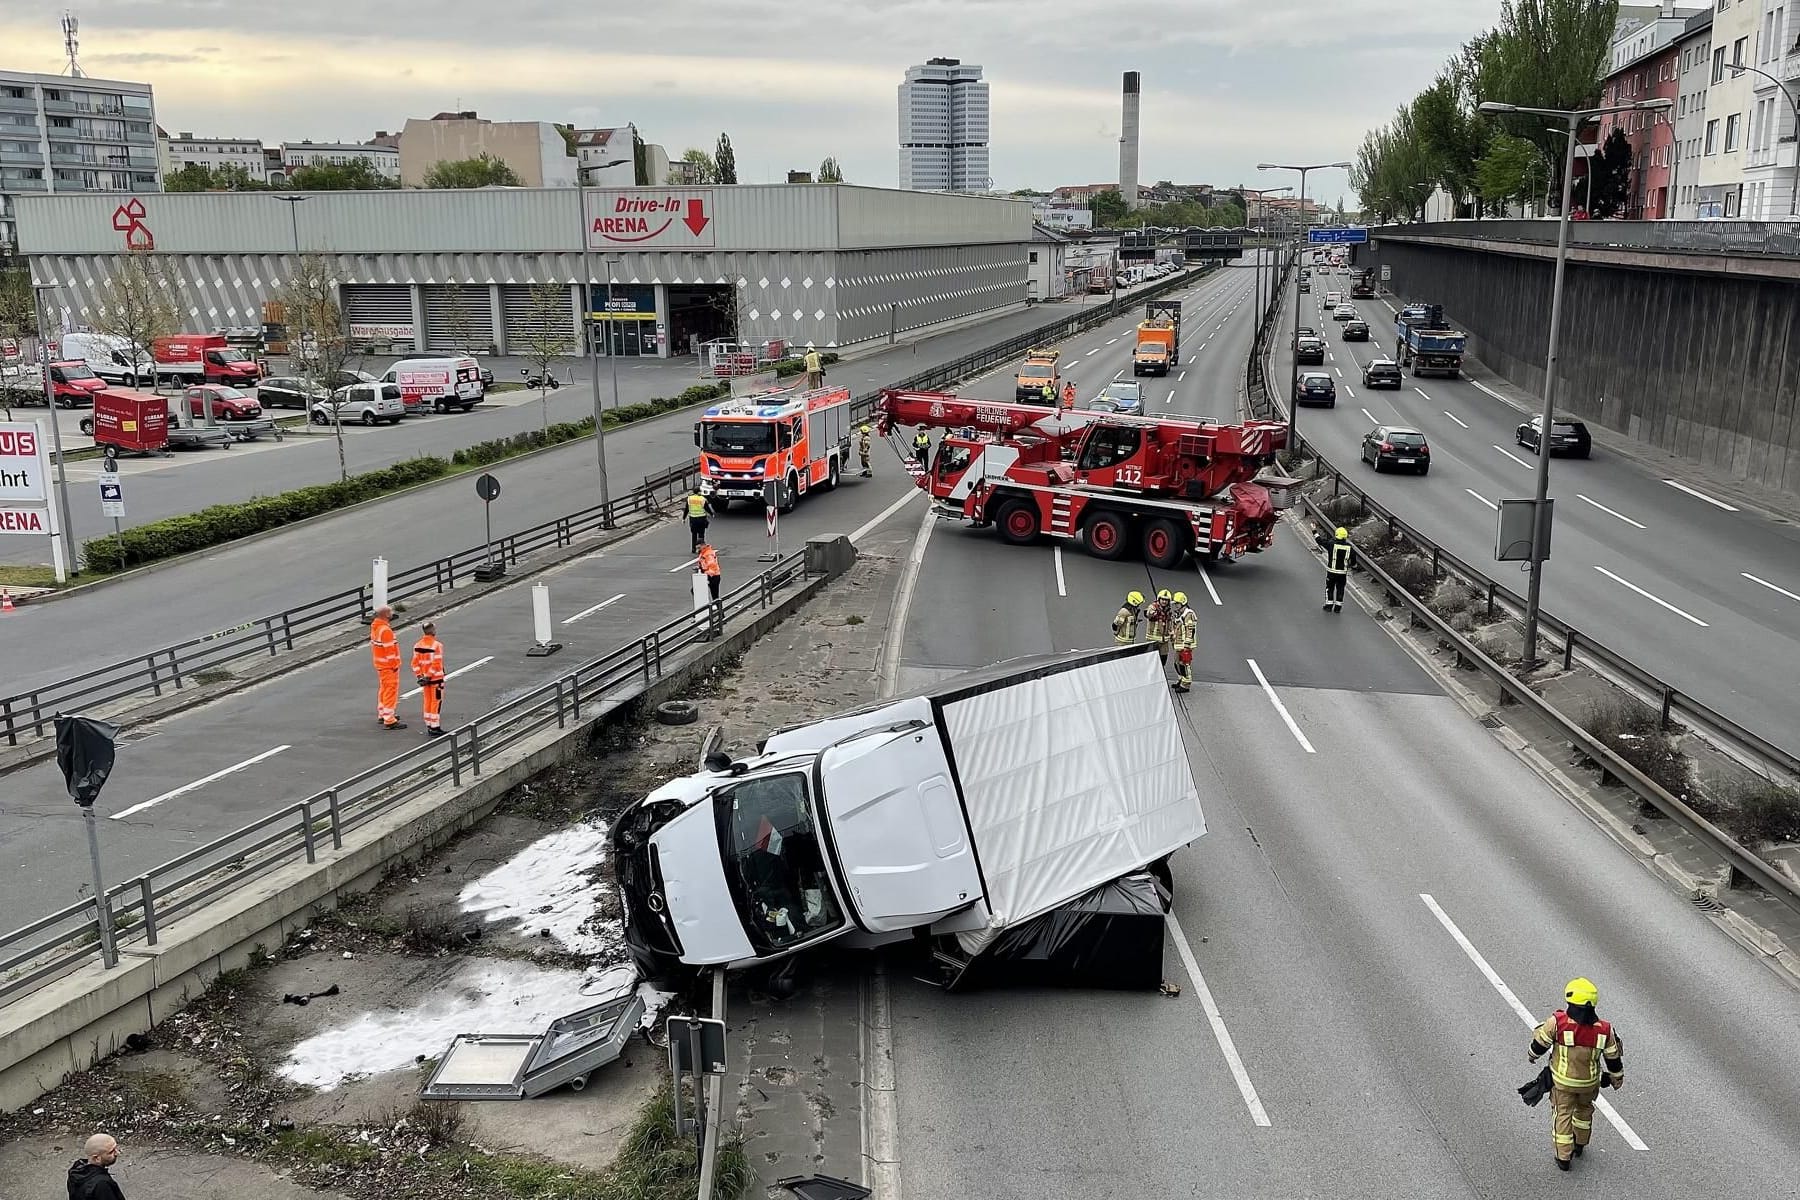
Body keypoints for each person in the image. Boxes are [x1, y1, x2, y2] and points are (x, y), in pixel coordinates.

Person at [1529, 977, 1625, 1171]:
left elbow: (1540, 1044)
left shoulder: (1557, 1023)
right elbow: (1613, 1059)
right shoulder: (1605, 1030)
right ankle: (1580, 1144)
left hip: (1563, 1083)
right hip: (1589, 1084)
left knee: (1562, 1114)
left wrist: (1532, 1055)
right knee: (1584, 1111)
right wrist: (1616, 1078)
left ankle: (1563, 1157)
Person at [370, 605, 406, 731]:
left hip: (381, 665)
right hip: (388, 666)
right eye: (390, 612)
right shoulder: (385, 630)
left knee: (384, 689)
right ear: (386, 615)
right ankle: (389, 719)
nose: (392, 613)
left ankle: (383, 713)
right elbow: (390, 651)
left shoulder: (376, 627)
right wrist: (395, 665)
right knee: (390, 691)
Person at [411, 621, 446, 738]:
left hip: (425, 681)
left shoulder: (417, 645)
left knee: (427, 702)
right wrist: (428, 676)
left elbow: (414, 663)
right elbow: (436, 664)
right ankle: (435, 727)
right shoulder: (437, 646)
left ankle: (429, 725)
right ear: (433, 631)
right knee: (436, 703)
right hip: (436, 680)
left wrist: (420, 676)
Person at [68, 1133, 124, 1200]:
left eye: (116, 1148)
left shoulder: (76, 1171)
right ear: (96, 1158)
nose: (117, 1153)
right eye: (111, 1152)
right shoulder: (102, 1184)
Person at [1170, 591, 1197, 692]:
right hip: (1178, 643)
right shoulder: (1179, 613)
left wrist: (1187, 644)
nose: (1176, 606)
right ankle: (1181, 680)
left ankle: (1186, 684)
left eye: (1177, 604)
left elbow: (1190, 630)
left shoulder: (1188, 614)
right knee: (1177, 663)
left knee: (1185, 664)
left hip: (1185, 644)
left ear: (1183, 603)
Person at [1324, 526, 1353, 613]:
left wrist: (1314, 531)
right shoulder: (1349, 547)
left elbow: (1320, 541)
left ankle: (1329, 605)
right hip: (1342, 573)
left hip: (1332, 571)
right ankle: (1338, 607)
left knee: (1330, 588)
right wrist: (1353, 566)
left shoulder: (1332, 544)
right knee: (1340, 589)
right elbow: (1354, 561)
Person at [697, 541, 723, 638]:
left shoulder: (708, 553)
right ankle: (717, 613)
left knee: (715, 596)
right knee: (713, 595)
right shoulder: (704, 552)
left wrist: (707, 576)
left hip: (713, 576)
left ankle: (720, 615)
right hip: (709, 576)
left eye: (698, 546)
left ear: (702, 545)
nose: (697, 549)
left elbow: (711, 566)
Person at [1146, 589, 1174, 665]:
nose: (1164, 602)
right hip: (1154, 640)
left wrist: (1171, 632)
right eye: (1162, 599)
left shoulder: (1168, 610)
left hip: (1164, 640)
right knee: (1151, 661)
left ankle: (1160, 674)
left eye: (1166, 600)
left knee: (1163, 659)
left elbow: (1169, 622)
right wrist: (1152, 613)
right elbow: (1148, 613)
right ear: (1159, 599)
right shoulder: (1153, 607)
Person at [685, 487, 713, 553]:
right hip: (701, 519)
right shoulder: (702, 499)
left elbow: (686, 509)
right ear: (698, 492)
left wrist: (684, 518)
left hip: (693, 519)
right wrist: (711, 514)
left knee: (694, 534)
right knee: (701, 534)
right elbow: (707, 508)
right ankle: (701, 549)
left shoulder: (689, 498)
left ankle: (693, 548)